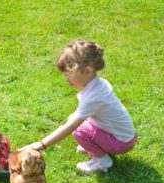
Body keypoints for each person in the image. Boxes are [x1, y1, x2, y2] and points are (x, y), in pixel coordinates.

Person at [19, 39, 137, 174]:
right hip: (123, 136)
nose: (66, 79)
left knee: (79, 129)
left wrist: (41, 144)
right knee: (75, 119)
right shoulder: (98, 84)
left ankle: (103, 160)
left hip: (120, 143)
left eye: (69, 74)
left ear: (87, 71)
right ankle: (95, 146)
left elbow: (71, 127)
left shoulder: (93, 97)